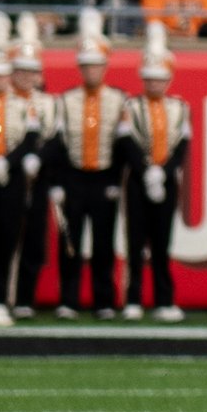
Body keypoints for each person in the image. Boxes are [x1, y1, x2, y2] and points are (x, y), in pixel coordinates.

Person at [46, 19, 131, 318]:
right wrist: (56, 182)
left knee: (103, 242)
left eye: (95, 65)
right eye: (86, 65)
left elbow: (123, 144)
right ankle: (68, 299)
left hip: (104, 178)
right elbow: (57, 143)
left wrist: (115, 180)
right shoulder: (66, 100)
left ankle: (103, 300)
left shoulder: (120, 99)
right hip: (74, 177)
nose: (90, 70)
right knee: (70, 241)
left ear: (105, 67)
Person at [125, 25, 193, 324]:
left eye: (160, 79)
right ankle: (133, 298)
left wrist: (163, 172)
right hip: (138, 182)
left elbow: (182, 146)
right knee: (135, 242)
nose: (154, 84)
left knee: (162, 243)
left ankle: (164, 299)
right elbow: (127, 142)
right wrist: (146, 170)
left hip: (166, 183)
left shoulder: (180, 107)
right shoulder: (131, 106)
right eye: (150, 79)